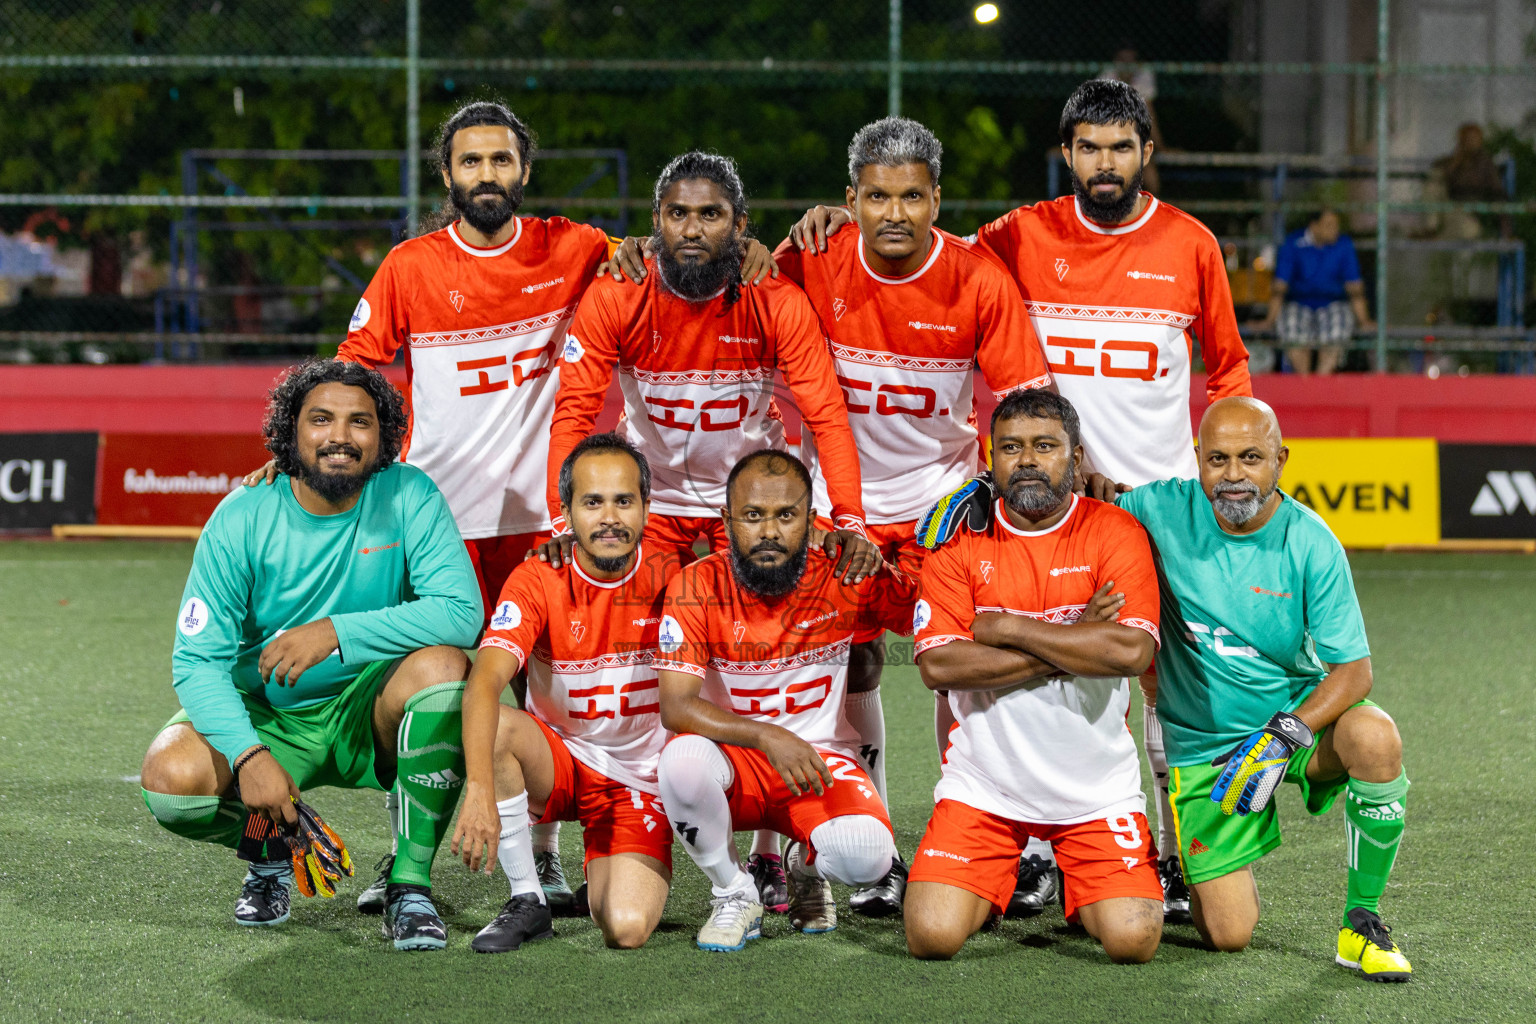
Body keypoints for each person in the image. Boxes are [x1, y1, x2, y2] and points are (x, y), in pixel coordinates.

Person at [792, 77, 1253, 922]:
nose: (1105, 163)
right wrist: (832, 215)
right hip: (1018, 502)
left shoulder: (1192, 244)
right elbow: (911, 239)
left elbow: (1228, 369)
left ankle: (1166, 856)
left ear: (1146, 153)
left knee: (1160, 678)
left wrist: (1222, 473)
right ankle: (1009, 850)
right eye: (1090, 147)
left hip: (1151, 500)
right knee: (938, 670)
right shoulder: (1016, 237)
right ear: (1066, 153)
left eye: (1122, 147)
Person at [244, 100, 629, 911]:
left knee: (546, 688)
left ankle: (545, 857)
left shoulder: (577, 248)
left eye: (501, 159)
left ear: (525, 170)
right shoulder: (410, 266)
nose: (487, 174)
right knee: (427, 686)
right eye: (471, 161)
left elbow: (661, 257)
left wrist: (773, 248)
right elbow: (352, 372)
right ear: (447, 174)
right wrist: (299, 449)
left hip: (543, 521)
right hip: (434, 524)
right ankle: (405, 850)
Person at [770, 116, 1051, 916]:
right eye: (876, 197)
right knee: (853, 669)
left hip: (943, 514)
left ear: (937, 200)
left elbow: (1026, 402)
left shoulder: (978, 280)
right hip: (839, 516)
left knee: (962, 674)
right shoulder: (809, 259)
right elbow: (745, 288)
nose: (894, 214)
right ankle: (879, 849)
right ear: (850, 198)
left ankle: (1011, 845)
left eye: (912, 198)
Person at [139, 359, 482, 950]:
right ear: (289, 432)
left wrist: (335, 632)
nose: (340, 436)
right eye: (320, 419)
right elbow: (196, 663)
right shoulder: (241, 517)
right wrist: (249, 756)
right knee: (172, 782)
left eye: (360, 422)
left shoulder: (409, 492)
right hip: (269, 715)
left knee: (447, 667)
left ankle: (409, 884)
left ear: (383, 436)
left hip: (367, 709)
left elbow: (461, 613)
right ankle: (271, 847)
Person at [1104, 396, 1411, 981]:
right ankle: (1186, 866)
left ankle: (1362, 921)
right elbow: (1076, 507)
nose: (1234, 475)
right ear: (1198, 459)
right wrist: (993, 490)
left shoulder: (1311, 540)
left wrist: (1283, 734)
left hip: (1292, 726)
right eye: (1218, 459)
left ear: (1280, 460)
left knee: (1375, 738)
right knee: (1228, 934)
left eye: (1251, 457)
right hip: (1207, 747)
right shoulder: (1157, 508)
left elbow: (1354, 671)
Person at [905, 389, 1164, 963]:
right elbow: (941, 666)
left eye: (1045, 446)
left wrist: (1007, 628)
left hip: (1096, 788)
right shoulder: (956, 537)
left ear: (1076, 458)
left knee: (1133, 940)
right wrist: (1077, 635)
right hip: (985, 785)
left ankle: (1075, 874)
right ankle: (999, 875)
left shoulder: (1115, 530)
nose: (1026, 460)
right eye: (1011, 447)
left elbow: (1130, 652)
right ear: (991, 456)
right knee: (931, 936)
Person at [547, 151, 875, 573]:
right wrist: (562, 520)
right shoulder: (618, 292)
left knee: (765, 604)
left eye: (710, 214)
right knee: (634, 605)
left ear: (738, 225)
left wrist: (849, 519)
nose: (691, 230)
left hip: (753, 492)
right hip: (650, 494)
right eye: (677, 213)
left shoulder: (776, 299)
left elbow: (827, 417)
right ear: (656, 220)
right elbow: (574, 412)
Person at [654, 449, 916, 951]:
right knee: (680, 762)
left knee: (869, 857)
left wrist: (880, 565)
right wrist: (768, 737)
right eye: (753, 515)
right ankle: (734, 892)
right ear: (726, 520)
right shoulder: (695, 583)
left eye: (786, 515)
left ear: (811, 519)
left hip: (820, 762)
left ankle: (803, 865)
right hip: (734, 764)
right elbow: (676, 707)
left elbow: (925, 617)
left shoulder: (843, 572)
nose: (769, 531)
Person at [451, 433, 678, 952]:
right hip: (558, 762)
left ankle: (603, 876)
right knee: (500, 727)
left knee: (624, 927)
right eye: (592, 503)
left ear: (647, 507)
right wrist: (479, 790)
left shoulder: (675, 576)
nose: (609, 518)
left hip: (637, 780)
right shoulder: (538, 576)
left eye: (624, 501)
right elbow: (485, 682)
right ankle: (527, 898)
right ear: (567, 513)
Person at [1257, 209, 1373, 376]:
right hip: (1298, 303)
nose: (1335, 230)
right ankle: (1305, 385)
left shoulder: (1344, 244)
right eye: (1329, 225)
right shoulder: (1293, 243)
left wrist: (1364, 321)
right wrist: (1269, 321)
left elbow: (1354, 287)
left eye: (1336, 225)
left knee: (1337, 332)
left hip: (1333, 303)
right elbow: (1280, 286)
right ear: (1314, 226)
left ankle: (1320, 384)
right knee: (1293, 333)